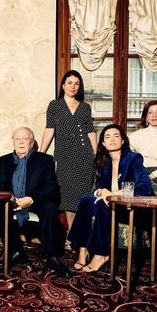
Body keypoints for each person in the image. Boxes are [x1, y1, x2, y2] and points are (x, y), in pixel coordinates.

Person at [68, 124, 153, 272]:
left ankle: (101, 254)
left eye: (116, 136)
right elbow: (99, 189)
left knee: (103, 203)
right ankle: (83, 250)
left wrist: (114, 194)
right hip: (110, 207)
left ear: (122, 141)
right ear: (103, 143)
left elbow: (144, 188)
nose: (112, 139)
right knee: (86, 201)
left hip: (130, 208)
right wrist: (101, 191)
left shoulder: (133, 159)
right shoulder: (104, 162)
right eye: (107, 137)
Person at [0, 127, 71, 277]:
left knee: (50, 209)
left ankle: (53, 256)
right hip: (12, 201)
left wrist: (31, 199)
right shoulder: (5, 160)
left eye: (25, 138)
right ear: (13, 142)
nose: (21, 142)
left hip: (36, 201)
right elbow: (0, 186)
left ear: (32, 142)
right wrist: (10, 197)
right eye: (17, 139)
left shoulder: (44, 160)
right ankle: (15, 251)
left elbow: (51, 188)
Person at [40, 70, 97, 244]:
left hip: (84, 157)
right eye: (70, 83)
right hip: (64, 157)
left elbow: (90, 131)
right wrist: (40, 155)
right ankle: (72, 236)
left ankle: (80, 238)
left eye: (77, 83)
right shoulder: (55, 105)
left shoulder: (85, 107)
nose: (73, 86)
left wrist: (95, 155)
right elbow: (50, 129)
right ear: (63, 85)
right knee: (68, 199)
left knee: (82, 199)